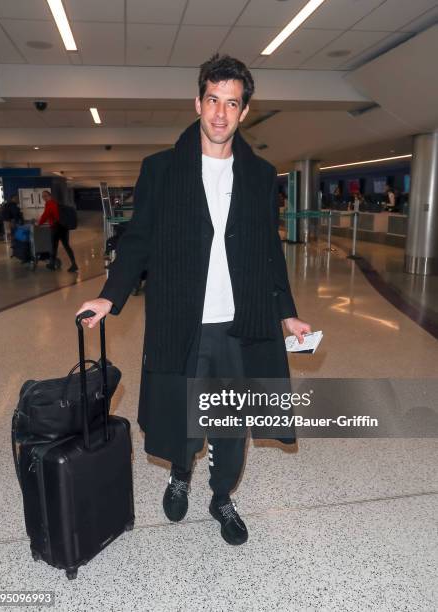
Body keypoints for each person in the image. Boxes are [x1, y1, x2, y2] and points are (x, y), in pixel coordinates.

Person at [76, 54, 311, 546]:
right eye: (212, 100)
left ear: (244, 111)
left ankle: (221, 496)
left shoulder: (262, 175)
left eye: (232, 103)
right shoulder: (161, 169)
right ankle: (179, 473)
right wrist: (108, 297)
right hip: (184, 322)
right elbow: (138, 239)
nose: (221, 113)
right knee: (182, 419)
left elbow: (269, 251)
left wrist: (286, 313)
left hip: (242, 325)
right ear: (197, 102)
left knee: (231, 424)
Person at [38, 190, 78, 272]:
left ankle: (52, 264)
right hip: (64, 227)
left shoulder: (50, 204)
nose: (44, 198)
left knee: (54, 246)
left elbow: (45, 215)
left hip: (56, 227)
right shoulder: (56, 203)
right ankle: (74, 264)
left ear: (50, 196)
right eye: (43, 196)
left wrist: (38, 223)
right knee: (66, 246)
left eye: (45, 196)